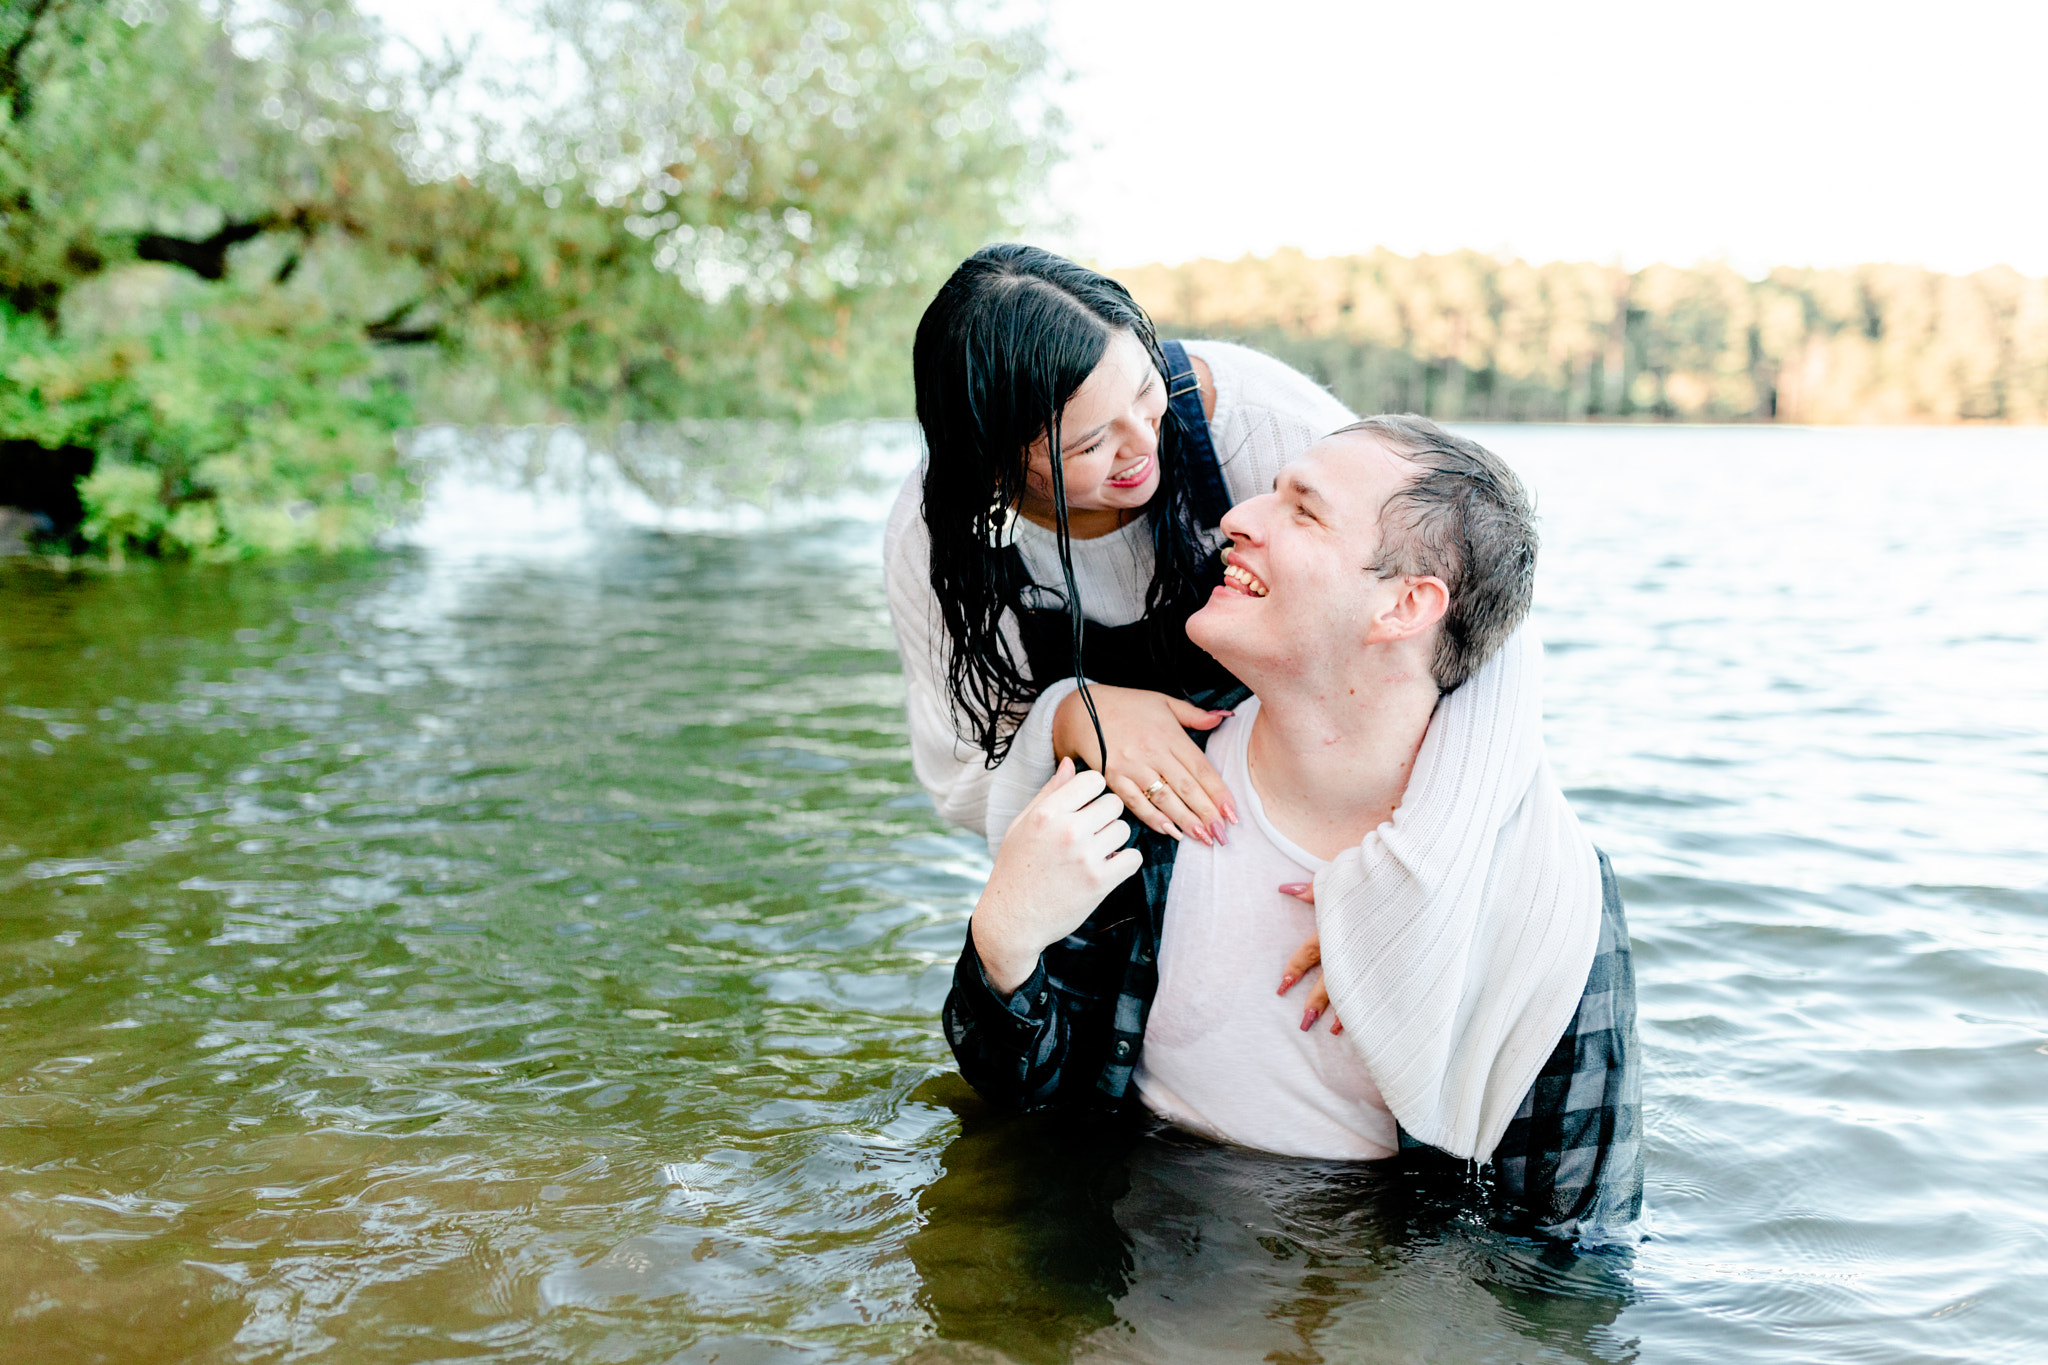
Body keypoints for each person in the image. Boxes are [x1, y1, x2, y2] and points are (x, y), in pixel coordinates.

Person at [942, 417, 1642, 1241]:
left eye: (1302, 510)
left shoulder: (1544, 898)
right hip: (1133, 1249)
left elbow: (1571, 1251)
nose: (1238, 516)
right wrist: (1002, 944)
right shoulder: (1150, 786)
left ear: (1405, 604)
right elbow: (1027, 1098)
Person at [887, 243, 1546, 1028]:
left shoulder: (1265, 428)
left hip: (1345, 828)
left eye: (1144, 392)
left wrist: (1408, 875)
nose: (1141, 445)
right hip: (1132, 876)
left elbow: (1487, 627)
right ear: (996, 463)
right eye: (1089, 444)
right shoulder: (940, 544)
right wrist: (1076, 713)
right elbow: (959, 775)